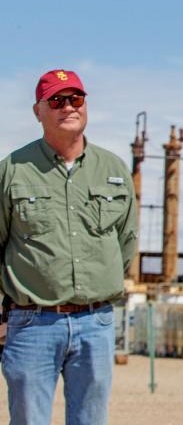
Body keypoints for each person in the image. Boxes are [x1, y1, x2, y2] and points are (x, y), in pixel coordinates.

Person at [0, 69, 138, 425]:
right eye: (57, 100)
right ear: (38, 111)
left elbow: (125, 242)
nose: (68, 107)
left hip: (97, 322)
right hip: (32, 323)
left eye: (76, 98)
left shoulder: (114, 169)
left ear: (85, 105)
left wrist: (99, 284)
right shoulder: (13, 171)